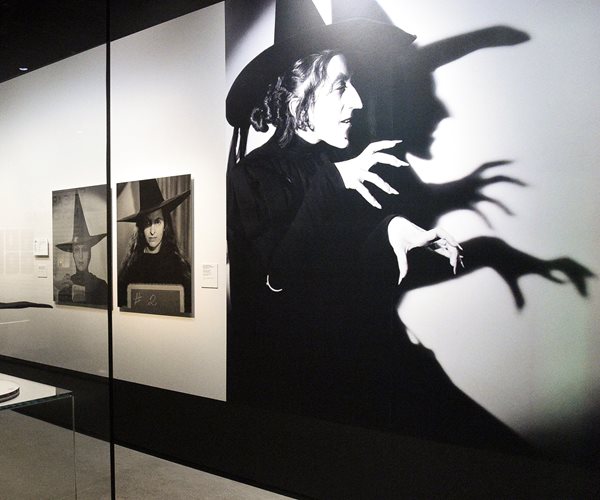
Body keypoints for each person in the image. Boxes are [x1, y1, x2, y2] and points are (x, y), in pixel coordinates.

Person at [226, 14, 535, 452]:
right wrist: (337, 181)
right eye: (340, 86)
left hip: (359, 362)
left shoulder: (331, 164)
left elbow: (341, 263)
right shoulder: (256, 174)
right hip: (303, 391)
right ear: (296, 100)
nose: (356, 101)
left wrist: (392, 231)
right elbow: (279, 278)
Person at [117, 178, 192, 314]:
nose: (152, 231)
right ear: (141, 227)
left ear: (165, 225)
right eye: (147, 223)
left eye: (157, 222)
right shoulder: (130, 268)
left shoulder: (179, 267)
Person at [55, 192, 108, 307]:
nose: (80, 256)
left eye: (84, 250)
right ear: (73, 254)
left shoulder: (101, 287)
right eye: (76, 250)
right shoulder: (66, 287)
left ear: (90, 253)